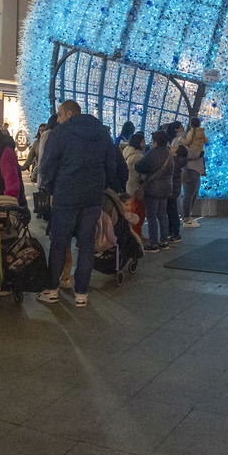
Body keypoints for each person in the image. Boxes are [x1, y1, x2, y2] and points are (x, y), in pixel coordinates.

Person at [36, 101, 129, 306]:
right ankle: (82, 294)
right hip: (93, 198)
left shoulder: (60, 134)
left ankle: (52, 289)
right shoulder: (101, 133)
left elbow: (47, 166)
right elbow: (111, 165)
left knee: (60, 244)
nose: (58, 119)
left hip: (65, 197)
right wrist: (101, 184)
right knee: (86, 245)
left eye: (59, 115)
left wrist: (49, 190)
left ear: (69, 114)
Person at [135, 130, 174, 252]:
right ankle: (164, 242)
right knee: (162, 214)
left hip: (153, 188)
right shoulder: (169, 153)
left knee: (151, 216)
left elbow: (139, 166)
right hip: (166, 188)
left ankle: (153, 244)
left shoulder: (152, 153)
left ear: (155, 142)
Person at [180, 117, 208, 227]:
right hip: (191, 169)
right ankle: (186, 218)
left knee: (192, 193)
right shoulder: (197, 134)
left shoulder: (190, 135)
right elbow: (187, 153)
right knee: (189, 194)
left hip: (194, 169)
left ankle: (187, 217)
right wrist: (199, 153)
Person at [123, 132, 146, 238]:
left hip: (128, 185)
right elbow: (142, 175)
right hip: (136, 186)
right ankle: (137, 234)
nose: (145, 144)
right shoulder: (138, 157)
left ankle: (133, 234)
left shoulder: (126, 152)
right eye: (143, 142)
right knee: (138, 212)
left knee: (131, 210)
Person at [165, 121, 185, 243]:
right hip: (174, 184)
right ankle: (172, 231)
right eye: (181, 126)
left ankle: (174, 232)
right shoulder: (178, 142)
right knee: (171, 208)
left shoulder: (177, 143)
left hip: (172, 184)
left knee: (171, 208)